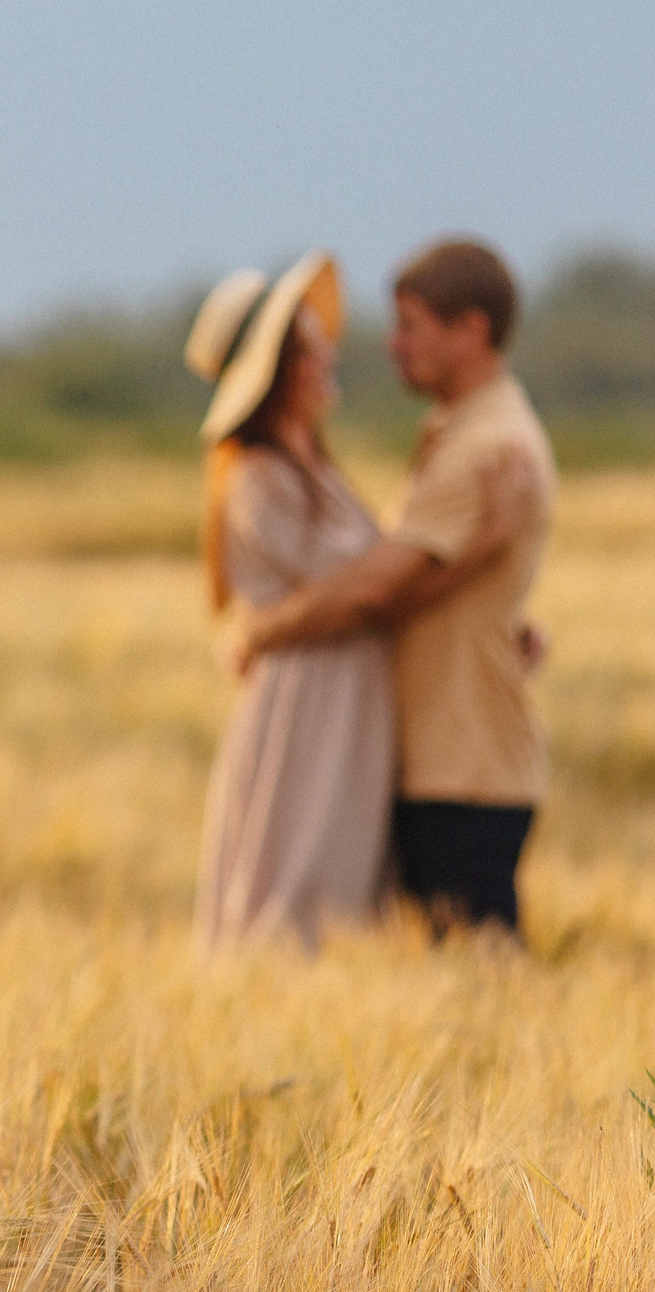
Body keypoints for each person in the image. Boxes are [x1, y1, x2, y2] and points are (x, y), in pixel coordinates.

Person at [188, 252, 522, 951]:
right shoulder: (259, 479)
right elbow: (367, 595)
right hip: (308, 710)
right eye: (309, 351)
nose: (326, 359)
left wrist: (494, 619)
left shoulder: (319, 472)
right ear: (279, 375)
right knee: (299, 895)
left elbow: (376, 584)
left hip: (348, 703)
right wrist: (482, 549)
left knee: (340, 895)